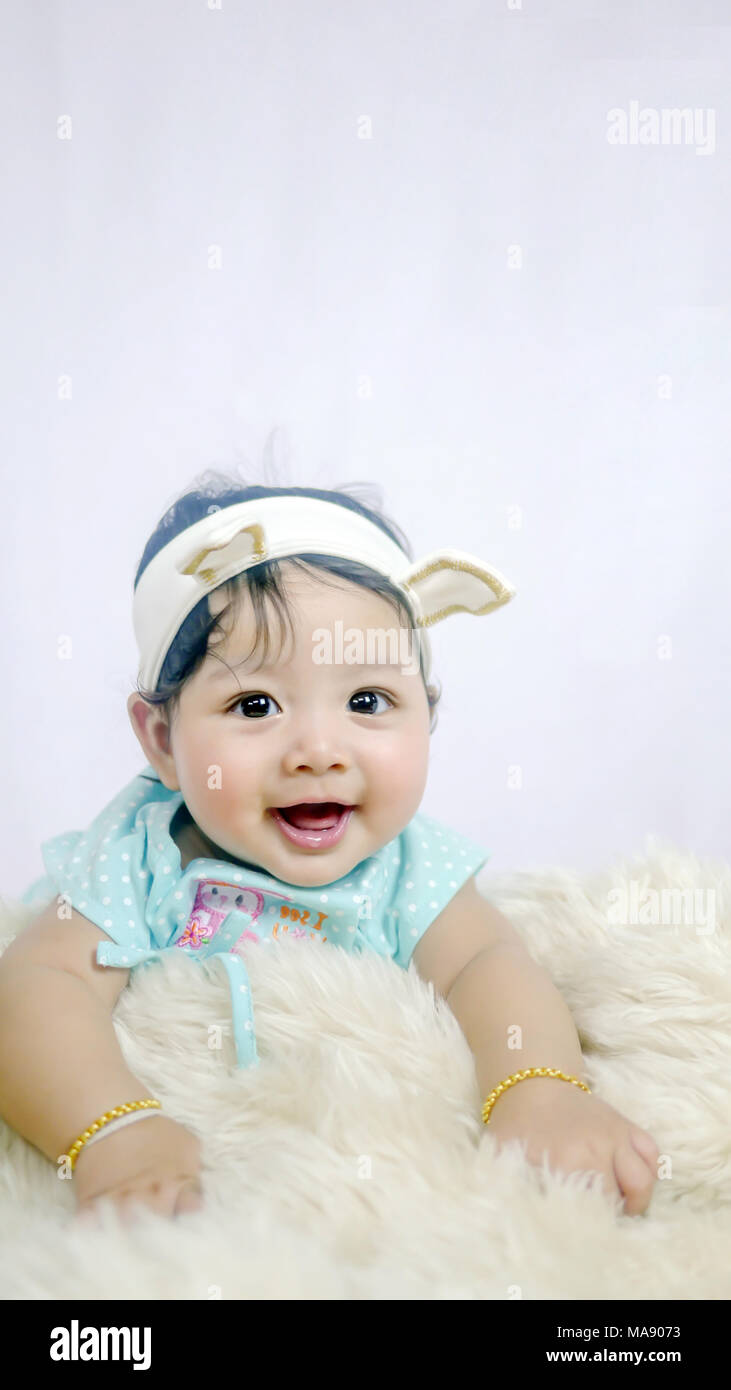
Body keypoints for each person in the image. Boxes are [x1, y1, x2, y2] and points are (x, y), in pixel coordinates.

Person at [0, 477, 660, 1225]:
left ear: (427, 714)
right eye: (255, 705)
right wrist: (111, 1132)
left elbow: (490, 967)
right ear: (162, 742)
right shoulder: (142, 855)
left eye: (367, 702)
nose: (317, 750)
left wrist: (539, 1090)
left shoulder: (406, 868)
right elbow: (41, 979)